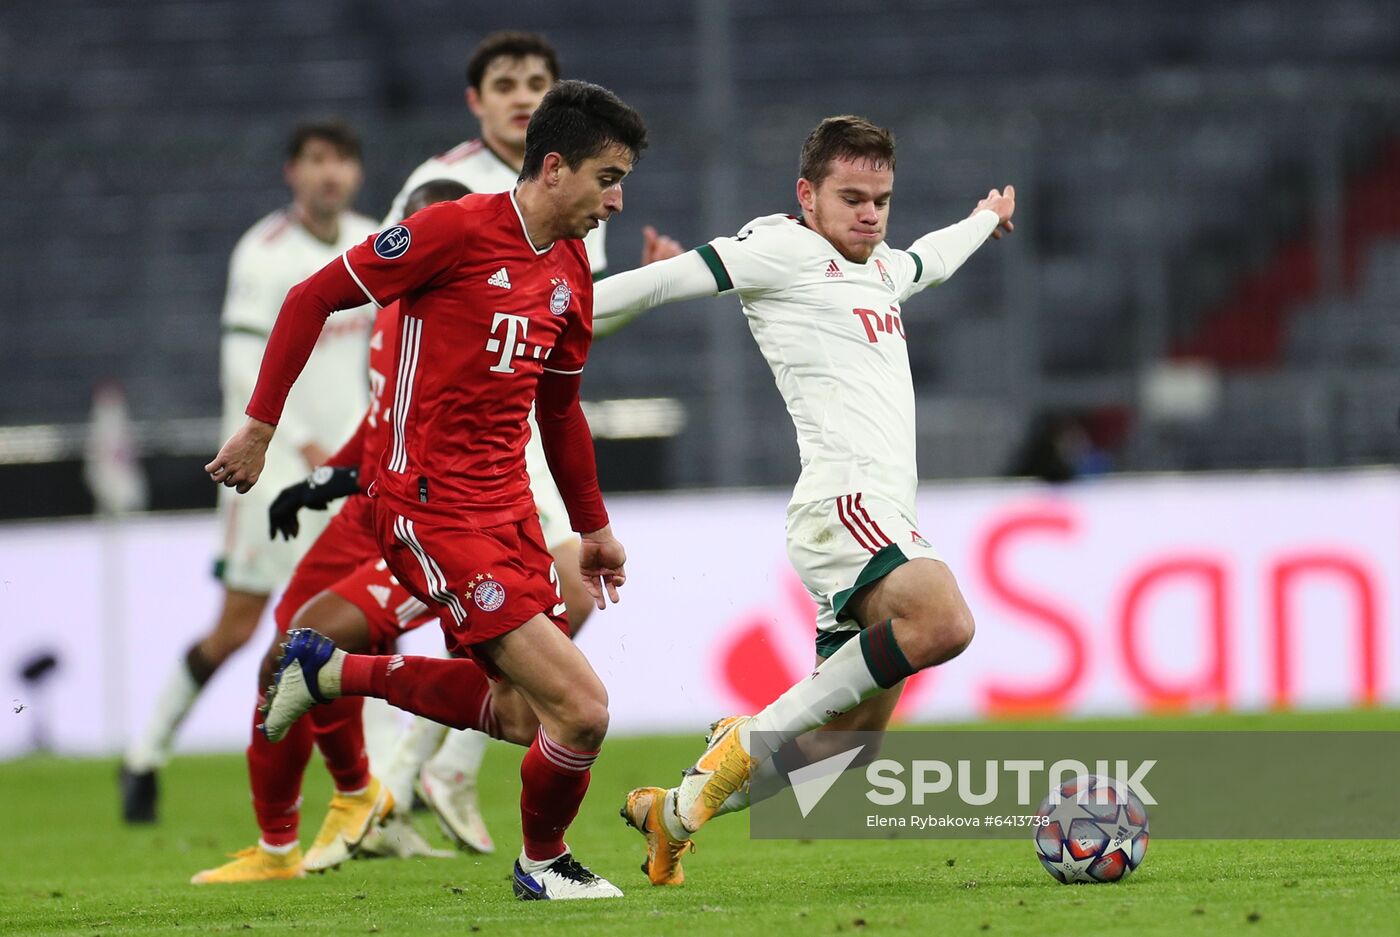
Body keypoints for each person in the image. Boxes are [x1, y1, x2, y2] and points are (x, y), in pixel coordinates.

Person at [206, 80, 647, 901]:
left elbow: (561, 411)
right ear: (554, 168)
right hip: (428, 507)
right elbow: (312, 295)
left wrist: (593, 527)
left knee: (521, 718)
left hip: (509, 508)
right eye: (608, 177)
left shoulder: (570, 273)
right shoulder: (453, 230)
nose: (617, 200)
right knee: (582, 710)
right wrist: (262, 426)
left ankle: (331, 673)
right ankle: (544, 865)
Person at [591, 115, 1016, 886]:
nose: (868, 214)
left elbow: (932, 261)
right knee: (944, 620)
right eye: (850, 197)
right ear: (806, 195)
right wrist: (557, 309)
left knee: (846, 752)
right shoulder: (779, 247)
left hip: (880, 514)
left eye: (880, 200)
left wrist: (985, 219)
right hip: (843, 504)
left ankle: (677, 811)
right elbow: (660, 283)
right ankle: (748, 737)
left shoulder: (883, 266)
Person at [373, 29, 680, 854]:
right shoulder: (445, 195)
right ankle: (407, 782)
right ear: (479, 101)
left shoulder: (584, 206)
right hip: (436, 463)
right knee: (566, 693)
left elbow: (559, 342)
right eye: (507, 81)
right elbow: (387, 306)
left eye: (538, 81)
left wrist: (637, 287)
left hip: (518, 448)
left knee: (534, 674)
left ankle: (402, 741)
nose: (523, 95)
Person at [190, 180, 470, 885]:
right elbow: (382, 427)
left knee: (306, 650)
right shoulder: (389, 315)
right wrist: (326, 480)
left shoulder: (473, 324)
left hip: (437, 520)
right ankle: (281, 844)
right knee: (277, 660)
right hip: (368, 510)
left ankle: (368, 793)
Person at [121, 121, 377, 824]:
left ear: (356, 174)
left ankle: (373, 792)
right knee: (236, 628)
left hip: (348, 471)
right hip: (274, 472)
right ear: (292, 172)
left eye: (343, 161)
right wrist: (298, 442)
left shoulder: (374, 236)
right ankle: (145, 753)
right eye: (317, 161)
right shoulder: (263, 255)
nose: (331, 174)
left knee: (365, 621)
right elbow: (241, 366)